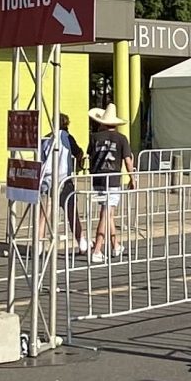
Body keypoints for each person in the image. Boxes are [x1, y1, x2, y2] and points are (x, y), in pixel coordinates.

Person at [86, 103, 135, 263]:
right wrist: (132, 178)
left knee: (108, 212)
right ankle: (97, 249)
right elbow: (128, 161)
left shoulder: (94, 137)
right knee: (106, 213)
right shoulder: (121, 139)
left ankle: (115, 245)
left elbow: (89, 156)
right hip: (113, 179)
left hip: (98, 178)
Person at [40, 113, 87, 254]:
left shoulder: (46, 138)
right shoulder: (67, 137)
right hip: (64, 179)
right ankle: (82, 242)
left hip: (47, 179)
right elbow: (79, 153)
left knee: (43, 215)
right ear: (66, 124)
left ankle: (39, 245)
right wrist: (78, 165)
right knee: (72, 213)